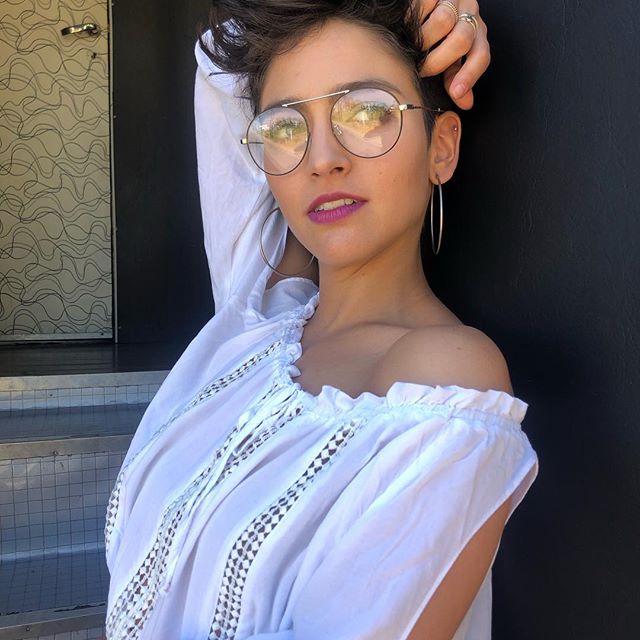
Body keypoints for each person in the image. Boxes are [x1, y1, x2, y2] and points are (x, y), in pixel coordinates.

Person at [103, 1, 539, 639]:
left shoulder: (442, 382)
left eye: (367, 112)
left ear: (441, 147)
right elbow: (223, 60)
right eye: (285, 127)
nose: (321, 158)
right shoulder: (258, 313)